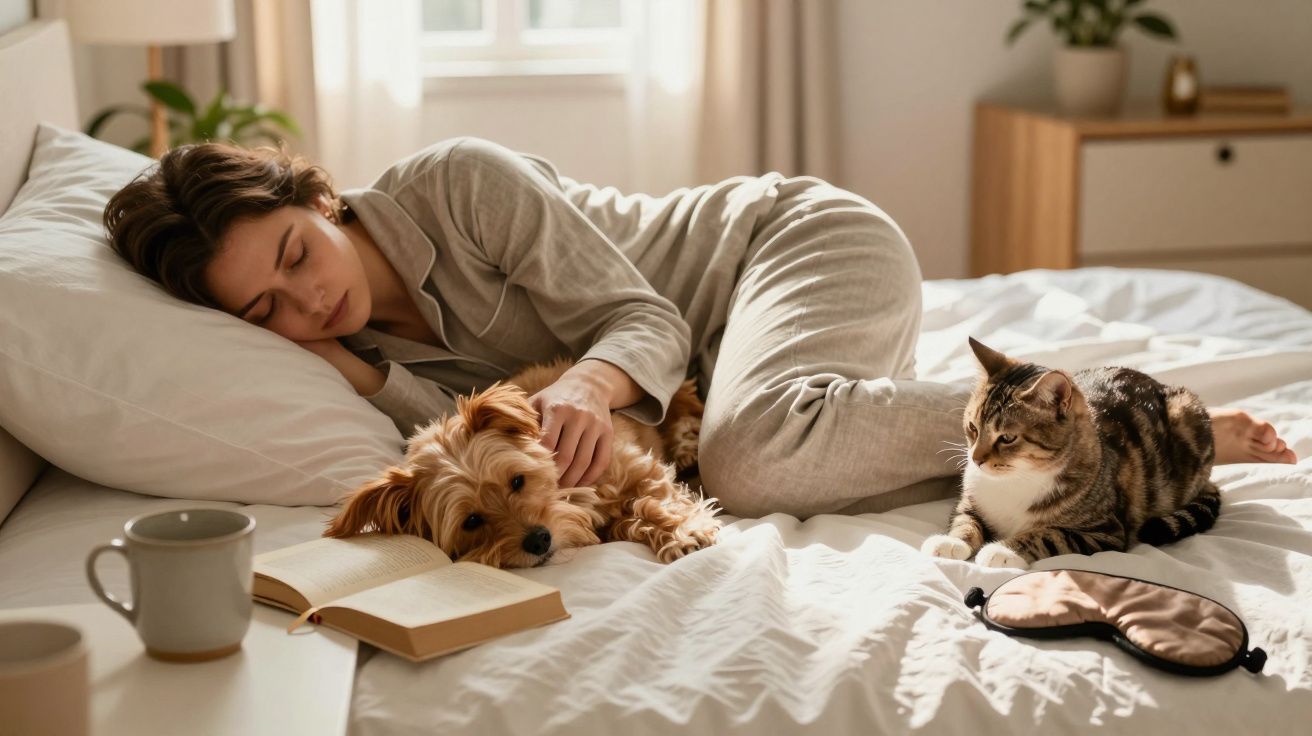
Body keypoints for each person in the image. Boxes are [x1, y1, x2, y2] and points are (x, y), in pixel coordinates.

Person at [102, 136, 1298, 518]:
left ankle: (1112, 411)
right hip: (745, 359)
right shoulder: (348, 340)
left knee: (750, 456)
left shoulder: (458, 183)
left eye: (297, 257)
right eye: (263, 305)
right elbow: (462, 427)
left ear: (314, 195)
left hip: (783, 249)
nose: (306, 300)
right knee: (770, 434)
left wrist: (587, 388)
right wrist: (348, 374)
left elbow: (640, 314)